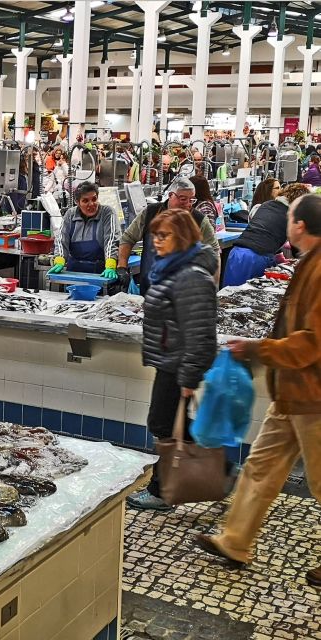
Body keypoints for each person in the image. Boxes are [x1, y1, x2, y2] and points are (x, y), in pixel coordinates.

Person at [195, 194, 321, 585]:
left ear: (298, 225)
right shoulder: (308, 263)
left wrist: (258, 349)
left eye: (289, 219)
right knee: (260, 468)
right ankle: (236, 540)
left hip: (314, 398)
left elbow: (312, 342)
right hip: (291, 393)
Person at [126, 208, 219, 510]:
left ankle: (162, 491)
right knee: (167, 424)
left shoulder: (191, 275)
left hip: (179, 365)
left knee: (163, 425)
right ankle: (215, 469)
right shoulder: (172, 268)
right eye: (154, 235)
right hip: (169, 361)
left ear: (181, 236)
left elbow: (202, 333)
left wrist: (190, 376)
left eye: (163, 235)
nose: (156, 241)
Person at [117, 177, 219, 295]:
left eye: (192, 200)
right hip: (149, 290)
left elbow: (214, 252)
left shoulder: (199, 220)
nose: (188, 204)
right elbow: (128, 238)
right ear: (171, 195)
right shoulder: (151, 213)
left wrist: (213, 287)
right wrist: (122, 266)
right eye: (183, 199)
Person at [222, 183, 310, 287]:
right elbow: (296, 245)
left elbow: (267, 230)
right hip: (257, 257)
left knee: (228, 297)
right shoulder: (292, 214)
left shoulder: (267, 204)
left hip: (236, 253)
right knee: (251, 297)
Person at [48, 182, 120, 278]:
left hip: (100, 273)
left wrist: (111, 264)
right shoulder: (70, 215)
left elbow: (111, 240)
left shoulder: (107, 213)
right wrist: (59, 259)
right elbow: (61, 239)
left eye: (94, 199)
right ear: (77, 202)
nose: (91, 204)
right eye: (85, 201)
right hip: (73, 272)